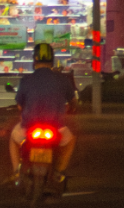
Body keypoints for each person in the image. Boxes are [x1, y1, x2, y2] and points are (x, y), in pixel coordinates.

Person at [7, 42, 77, 191]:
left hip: (29, 127)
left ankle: (16, 173)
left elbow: (20, 105)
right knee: (70, 142)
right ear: (52, 60)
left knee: (14, 140)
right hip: (55, 127)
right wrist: (71, 108)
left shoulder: (26, 80)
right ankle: (58, 172)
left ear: (34, 60)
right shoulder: (63, 80)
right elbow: (73, 102)